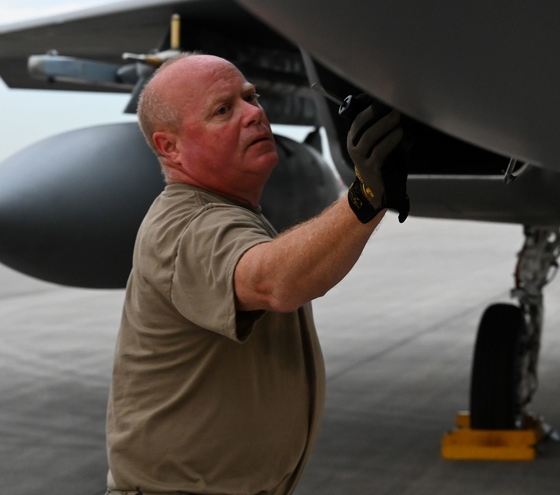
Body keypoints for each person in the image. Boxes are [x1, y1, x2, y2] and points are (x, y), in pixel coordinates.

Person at [104, 53, 404, 495]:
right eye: (224, 110)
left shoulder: (228, 213)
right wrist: (366, 195)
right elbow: (272, 283)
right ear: (171, 147)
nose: (255, 113)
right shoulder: (187, 225)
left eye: (250, 97)